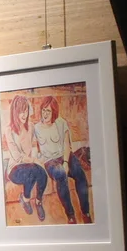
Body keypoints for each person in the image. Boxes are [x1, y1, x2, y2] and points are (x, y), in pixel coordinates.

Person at [34, 95, 92, 224]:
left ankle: (86, 212)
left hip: (65, 156)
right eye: (43, 110)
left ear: (54, 111)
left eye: (48, 111)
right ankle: (70, 215)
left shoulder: (61, 123)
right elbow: (33, 148)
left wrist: (66, 162)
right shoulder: (36, 128)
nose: (45, 113)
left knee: (80, 174)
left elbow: (66, 145)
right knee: (60, 174)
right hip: (50, 161)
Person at [4, 95, 49, 221]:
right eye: (21, 111)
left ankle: (38, 201)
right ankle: (25, 199)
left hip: (29, 165)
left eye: (26, 110)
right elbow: (17, 156)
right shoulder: (9, 130)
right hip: (14, 169)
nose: (24, 114)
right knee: (34, 170)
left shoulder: (31, 126)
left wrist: (36, 158)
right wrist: (34, 161)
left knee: (42, 173)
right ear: (15, 112)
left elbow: (35, 145)